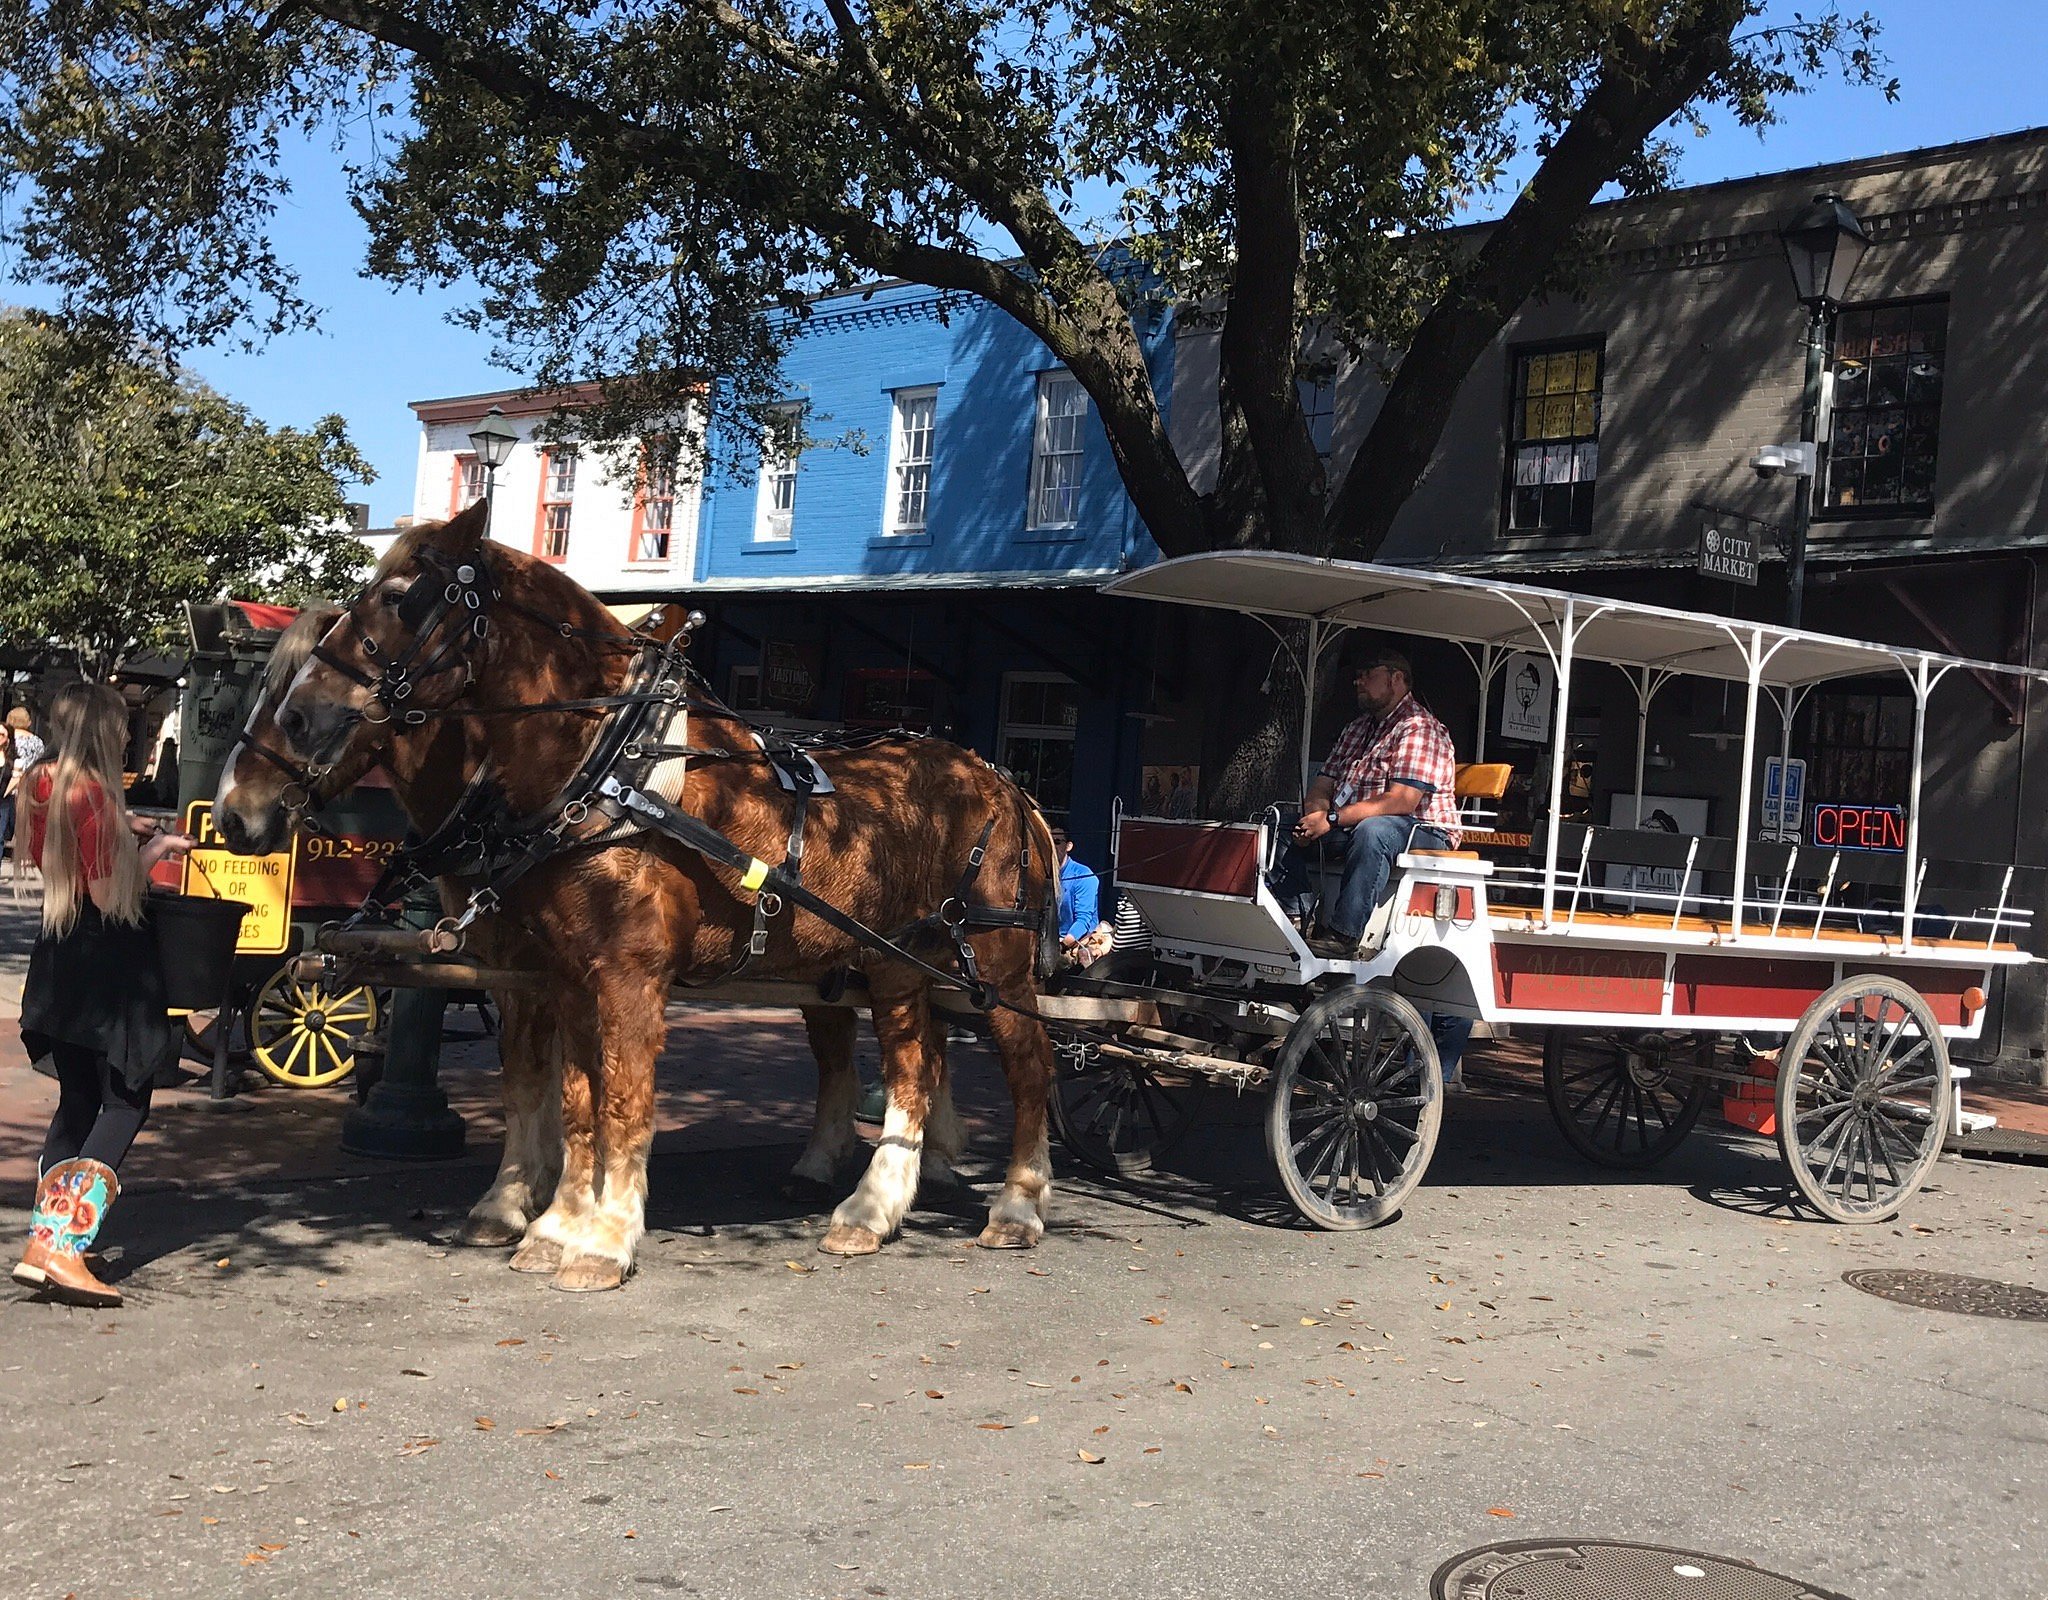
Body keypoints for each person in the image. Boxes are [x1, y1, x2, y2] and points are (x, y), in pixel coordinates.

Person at [11, 684, 192, 1308]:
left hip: (58, 956)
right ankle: (63, 1246)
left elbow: (65, 854)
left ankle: (45, 1241)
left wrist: (125, 828)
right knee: (126, 1100)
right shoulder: (97, 798)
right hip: (113, 968)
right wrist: (159, 847)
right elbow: (113, 894)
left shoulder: (41, 782)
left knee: (78, 1099)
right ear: (104, 731)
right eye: (120, 728)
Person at [1276, 645, 1461, 958]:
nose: (1357, 682)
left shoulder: (1419, 728)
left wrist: (1331, 820)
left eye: (1367, 675)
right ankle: (1296, 916)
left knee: (1375, 830)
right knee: (1277, 825)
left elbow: (1401, 801)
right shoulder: (1357, 727)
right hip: (1354, 824)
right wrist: (1316, 815)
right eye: (1356, 676)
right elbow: (1322, 785)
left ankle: (1344, 935)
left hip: (1424, 829)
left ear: (1396, 679)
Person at [1051, 827, 1113, 968]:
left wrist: (1061, 946)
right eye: (1049, 841)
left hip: (1074, 943)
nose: (1052, 846)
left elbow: (1083, 921)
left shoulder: (1084, 876)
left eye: (1057, 841)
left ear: (1069, 846)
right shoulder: (1044, 874)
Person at [0, 706, 40, 862]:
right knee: (24, 822)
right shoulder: (37, 742)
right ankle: (24, 853)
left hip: (8, 784)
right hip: (28, 785)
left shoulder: (10, 740)